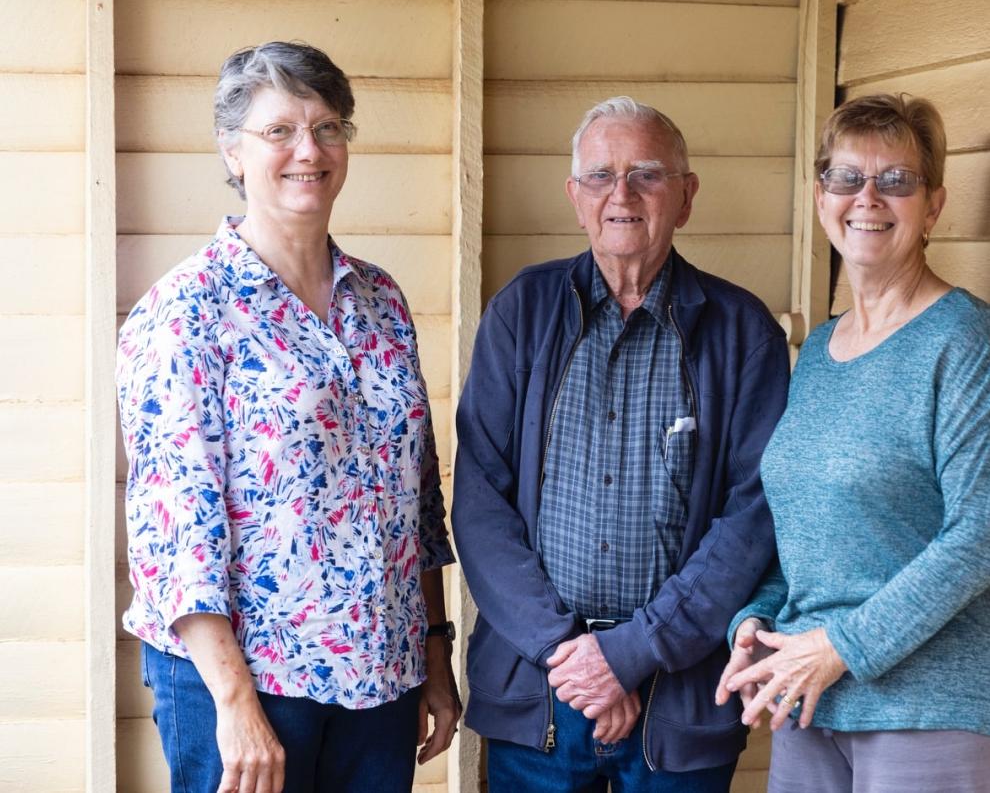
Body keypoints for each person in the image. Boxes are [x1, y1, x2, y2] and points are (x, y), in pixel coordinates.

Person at [116, 41, 460, 793]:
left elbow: (418, 500)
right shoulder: (187, 308)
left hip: (381, 676)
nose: (309, 150)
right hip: (252, 682)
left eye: (328, 128)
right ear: (232, 151)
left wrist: (436, 651)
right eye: (279, 131)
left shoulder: (381, 299)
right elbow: (175, 527)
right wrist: (234, 703)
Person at [451, 96, 790, 791]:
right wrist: (576, 658)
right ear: (576, 197)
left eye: (647, 175)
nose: (622, 194)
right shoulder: (522, 311)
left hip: (679, 697)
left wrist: (631, 654)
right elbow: (480, 502)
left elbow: (754, 517)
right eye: (601, 176)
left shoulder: (742, 331)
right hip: (542, 690)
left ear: (686, 197)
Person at [716, 93, 990, 792]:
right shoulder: (818, 352)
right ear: (821, 197)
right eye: (846, 177)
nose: (867, 197)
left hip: (924, 712)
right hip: (810, 704)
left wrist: (841, 646)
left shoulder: (964, 341)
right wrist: (758, 622)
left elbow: (979, 535)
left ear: (933, 206)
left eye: (896, 180)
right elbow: (808, 533)